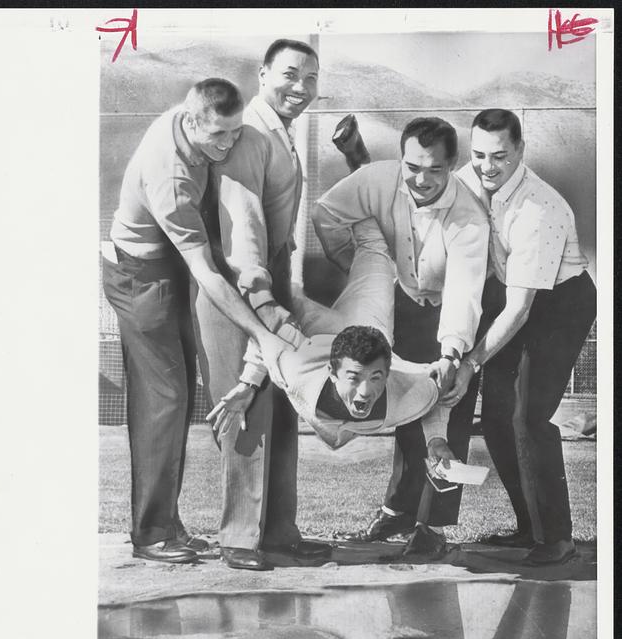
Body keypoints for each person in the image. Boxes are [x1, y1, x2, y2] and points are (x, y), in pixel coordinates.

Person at [103, 79, 292, 565]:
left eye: (235, 134)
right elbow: (206, 271)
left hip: (171, 266)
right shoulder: (170, 175)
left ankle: (168, 524)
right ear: (191, 122)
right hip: (143, 277)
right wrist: (260, 333)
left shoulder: (197, 123)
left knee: (179, 398)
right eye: (218, 137)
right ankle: (149, 534)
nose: (228, 146)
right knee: (163, 401)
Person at [310, 117, 490, 542]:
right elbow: (327, 214)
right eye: (413, 167)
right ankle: (396, 512)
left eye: (435, 169)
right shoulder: (377, 179)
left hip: (454, 309)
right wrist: (354, 266)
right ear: (400, 159)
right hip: (403, 299)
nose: (422, 179)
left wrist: (451, 353)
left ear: (453, 165)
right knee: (405, 405)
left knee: (447, 405)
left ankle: (434, 527)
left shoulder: (470, 218)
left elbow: (465, 288)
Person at [194, 39, 331, 571]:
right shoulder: (250, 133)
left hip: (270, 277)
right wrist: (261, 300)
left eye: (311, 78)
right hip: (240, 284)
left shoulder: (279, 129)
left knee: (279, 401)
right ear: (263, 73)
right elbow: (242, 223)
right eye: (290, 75)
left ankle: (278, 532)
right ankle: (239, 538)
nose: (301, 87)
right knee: (245, 403)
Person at [447, 108, 596, 566]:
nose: (488, 167)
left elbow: (521, 307)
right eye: (479, 156)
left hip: (559, 304)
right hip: (515, 297)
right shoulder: (469, 177)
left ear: (521, 151)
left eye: (500, 157)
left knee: (529, 417)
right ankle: (528, 526)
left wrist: (471, 360)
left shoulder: (540, 208)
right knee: (494, 418)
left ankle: (557, 537)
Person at [208, 225, 453, 470]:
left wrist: (436, 438)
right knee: (278, 296)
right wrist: (249, 382)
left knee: (375, 249)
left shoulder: (409, 393)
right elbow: (267, 329)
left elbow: (439, 391)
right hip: (318, 333)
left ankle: (372, 208)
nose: (366, 391)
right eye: (355, 377)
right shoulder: (298, 369)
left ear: (387, 373)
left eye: (376, 377)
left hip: (368, 320)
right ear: (333, 373)